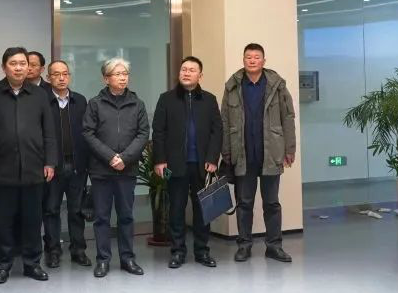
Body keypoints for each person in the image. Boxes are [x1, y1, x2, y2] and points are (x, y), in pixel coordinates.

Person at [0, 46, 58, 284]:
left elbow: (49, 133)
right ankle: (2, 265)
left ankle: (32, 264)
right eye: (13, 63)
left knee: (33, 220)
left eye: (23, 63)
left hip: (34, 167)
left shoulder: (40, 95)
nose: (19, 68)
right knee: (3, 221)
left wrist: (50, 162)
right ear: (4, 67)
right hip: (1, 168)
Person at [220, 43, 296, 263]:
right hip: (243, 154)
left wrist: (289, 149)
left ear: (264, 60)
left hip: (271, 153)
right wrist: (226, 152)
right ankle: (244, 245)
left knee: (271, 203)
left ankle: (274, 246)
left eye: (256, 57)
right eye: (248, 57)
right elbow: (224, 120)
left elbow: (288, 117)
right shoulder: (233, 86)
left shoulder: (277, 84)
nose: (252, 60)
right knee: (244, 203)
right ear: (243, 60)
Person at [152, 56, 223, 269]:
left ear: (200, 75)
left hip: (202, 165)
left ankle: (202, 251)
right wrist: (160, 160)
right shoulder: (166, 99)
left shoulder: (209, 100)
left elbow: (217, 131)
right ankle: (177, 251)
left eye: (192, 70)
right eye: (184, 69)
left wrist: (212, 158)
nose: (186, 73)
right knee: (176, 209)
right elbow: (158, 131)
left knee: (203, 210)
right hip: (174, 165)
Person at [83, 57, 149, 278]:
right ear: (106, 78)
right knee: (102, 217)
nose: (123, 78)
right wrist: (110, 157)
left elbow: (143, 133)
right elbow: (88, 133)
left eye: (125, 74)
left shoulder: (137, 104)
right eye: (118, 74)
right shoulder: (95, 104)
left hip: (127, 170)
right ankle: (103, 260)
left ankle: (127, 258)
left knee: (126, 216)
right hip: (101, 170)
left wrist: (125, 158)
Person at [43, 60, 92, 268]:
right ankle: (53, 251)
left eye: (65, 74)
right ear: (48, 78)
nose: (61, 78)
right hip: (52, 167)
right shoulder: (42, 100)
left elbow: (88, 132)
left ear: (69, 76)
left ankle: (78, 250)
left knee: (76, 210)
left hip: (77, 165)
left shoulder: (80, 101)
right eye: (56, 74)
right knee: (51, 210)